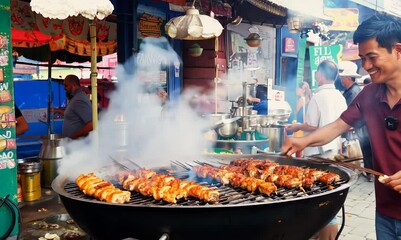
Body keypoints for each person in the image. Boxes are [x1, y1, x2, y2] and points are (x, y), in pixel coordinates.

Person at [282, 13, 401, 240]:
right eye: (362, 58)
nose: (366, 66)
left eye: (372, 57)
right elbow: (338, 126)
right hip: (385, 212)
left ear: (398, 50)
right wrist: (302, 140)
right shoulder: (369, 94)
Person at [286, 60, 347, 240]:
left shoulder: (318, 97)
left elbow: (312, 126)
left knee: (318, 197)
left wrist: (296, 126)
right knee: (331, 197)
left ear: (319, 75)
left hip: (317, 154)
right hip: (334, 150)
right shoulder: (339, 96)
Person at [339, 61, 374, 182]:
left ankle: (370, 173)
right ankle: (369, 173)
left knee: (366, 151)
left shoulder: (354, 92)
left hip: (361, 129)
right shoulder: (351, 90)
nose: (341, 80)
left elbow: (352, 115)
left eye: (342, 77)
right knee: (366, 152)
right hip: (361, 129)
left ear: (348, 78)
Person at [53, 74, 93, 139]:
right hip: (73, 143)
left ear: (74, 85)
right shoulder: (75, 98)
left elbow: (91, 124)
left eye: (66, 85)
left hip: (78, 144)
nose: (64, 88)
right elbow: (72, 114)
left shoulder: (79, 99)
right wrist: (58, 111)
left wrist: (75, 135)